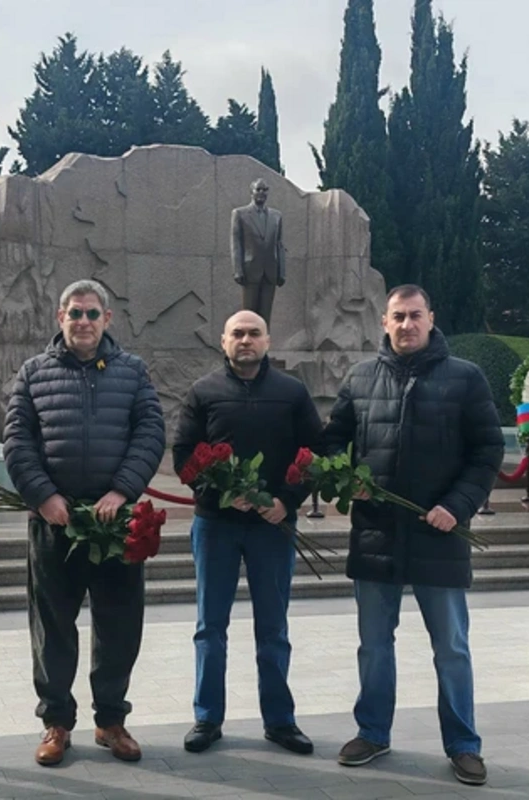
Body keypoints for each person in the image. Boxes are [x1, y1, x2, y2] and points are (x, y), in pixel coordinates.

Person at [322, 284, 503, 787]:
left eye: (415, 316)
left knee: (451, 648)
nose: (407, 325)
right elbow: (333, 441)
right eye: (398, 316)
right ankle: (372, 732)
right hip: (376, 535)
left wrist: (457, 506)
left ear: (431, 318)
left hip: (439, 536)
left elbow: (487, 452)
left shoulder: (465, 378)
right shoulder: (359, 378)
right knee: (374, 645)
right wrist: (345, 477)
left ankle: (463, 744)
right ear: (384, 321)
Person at [2, 279, 166, 767]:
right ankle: (57, 722)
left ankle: (111, 720)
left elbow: (151, 432)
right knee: (52, 627)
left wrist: (122, 491)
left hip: (115, 525)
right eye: (75, 313)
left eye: (93, 314)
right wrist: (45, 497)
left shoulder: (132, 372)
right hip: (55, 524)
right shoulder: (33, 373)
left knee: (119, 624)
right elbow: (17, 441)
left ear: (108, 319)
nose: (84, 322)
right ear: (60, 318)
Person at [172, 310, 323, 755]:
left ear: (267, 341)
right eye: (237, 333)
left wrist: (286, 502)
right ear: (223, 342)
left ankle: (279, 721)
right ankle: (207, 718)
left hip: (272, 527)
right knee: (209, 626)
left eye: (253, 333)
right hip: (216, 525)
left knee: (273, 627)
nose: (245, 340)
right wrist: (217, 493)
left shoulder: (292, 392)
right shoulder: (203, 392)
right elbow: (183, 454)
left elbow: (315, 451)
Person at [231, 178, 287, 324]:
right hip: (250, 271)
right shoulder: (240, 214)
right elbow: (236, 244)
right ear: (252, 192)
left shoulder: (276, 216)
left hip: (270, 272)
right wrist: (238, 270)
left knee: (265, 316)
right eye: (258, 189)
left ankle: (263, 347)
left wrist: (282, 272)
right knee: (249, 316)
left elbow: (279, 245)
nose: (261, 193)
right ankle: (249, 345)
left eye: (265, 190)